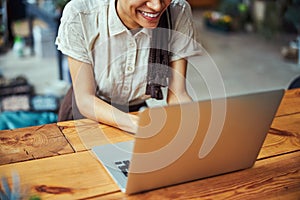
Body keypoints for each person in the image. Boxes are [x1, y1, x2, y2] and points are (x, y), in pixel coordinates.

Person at [55, 0, 201, 133]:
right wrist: (137, 125)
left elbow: (177, 94)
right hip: (85, 115)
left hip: (135, 114)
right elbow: (85, 100)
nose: (157, 6)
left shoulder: (177, 11)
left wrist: (193, 123)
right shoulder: (81, 14)